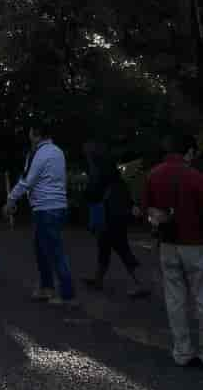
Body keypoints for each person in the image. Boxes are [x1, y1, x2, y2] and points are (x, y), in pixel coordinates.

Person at [141, 133, 203, 367]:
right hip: (195, 243)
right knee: (201, 297)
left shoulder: (154, 174)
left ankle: (182, 351)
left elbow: (147, 209)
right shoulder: (196, 177)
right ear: (189, 152)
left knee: (175, 298)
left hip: (167, 243)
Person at [4, 122, 76, 306]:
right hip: (57, 205)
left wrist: (11, 199)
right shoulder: (58, 152)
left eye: (30, 133)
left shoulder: (39, 153)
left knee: (54, 251)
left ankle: (66, 294)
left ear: (35, 134)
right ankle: (47, 287)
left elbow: (28, 180)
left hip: (46, 208)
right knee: (42, 250)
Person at [82, 142, 149, 298]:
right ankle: (98, 279)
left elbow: (93, 192)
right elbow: (122, 189)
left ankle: (141, 283)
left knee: (120, 248)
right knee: (106, 246)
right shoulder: (111, 169)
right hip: (117, 211)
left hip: (109, 214)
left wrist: (86, 195)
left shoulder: (98, 170)